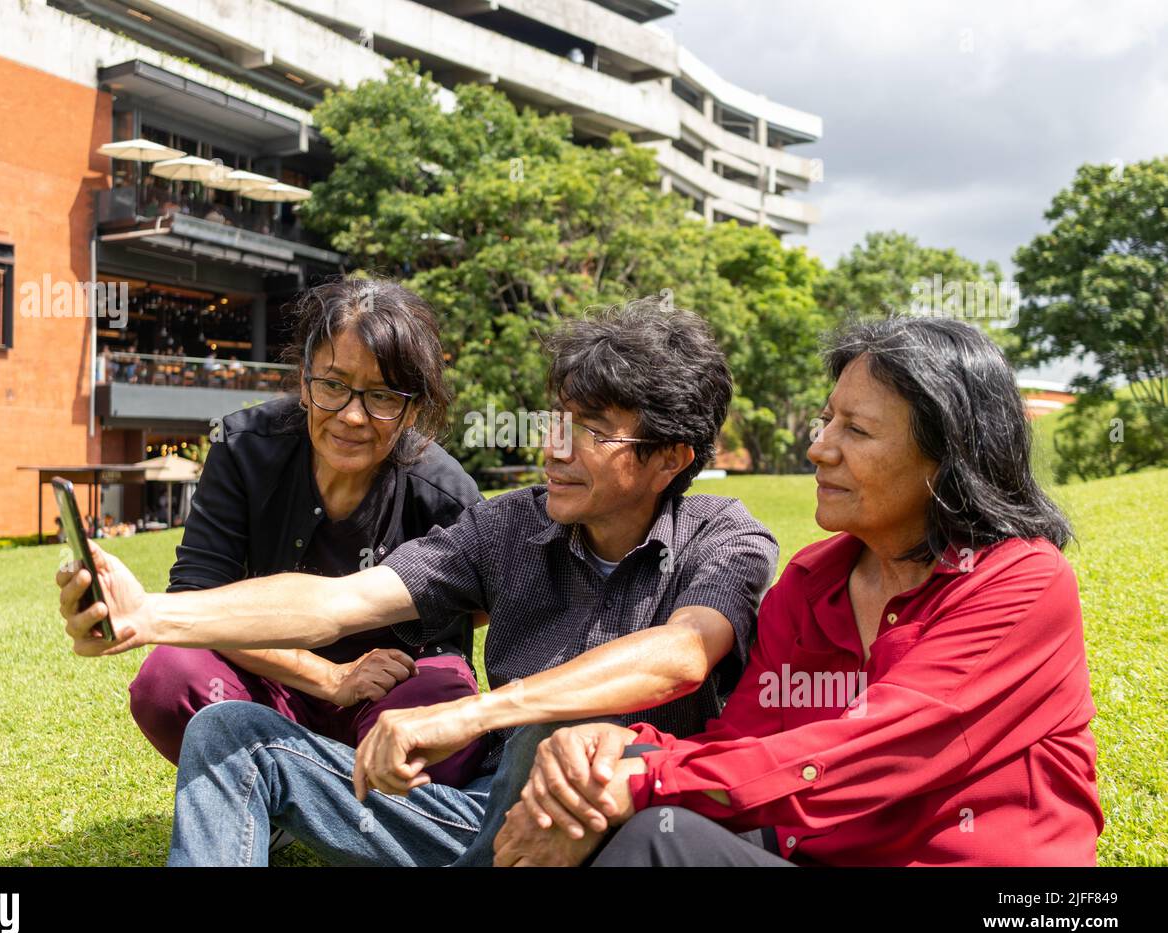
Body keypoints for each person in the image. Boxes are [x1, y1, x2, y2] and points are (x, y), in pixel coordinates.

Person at [59, 296, 778, 867]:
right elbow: (339, 602)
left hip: (623, 825)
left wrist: (473, 715)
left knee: (556, 728)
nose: (554, 448)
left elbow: (681, 655)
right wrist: (149, 615)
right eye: (555, 420)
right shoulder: (507, 527)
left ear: (669, 457)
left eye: (592, 430)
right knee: (226, 731)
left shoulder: (724, 535)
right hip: (482, 816)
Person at [496, 315, 1103, 867]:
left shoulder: (1021, 581)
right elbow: (746, 745)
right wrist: (617, 746)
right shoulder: (812, 583)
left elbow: (873, 750)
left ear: (947, 457)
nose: (819, 448)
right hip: (815, 854)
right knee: (620, 795)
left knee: (656, 835)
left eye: (857, 431)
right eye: (826, 420)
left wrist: (641, 780)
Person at [56, 277, 490, 842]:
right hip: (271, 681)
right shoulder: (245, 446)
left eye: (382, 396)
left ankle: (293, 794)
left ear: (412, 410)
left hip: (391, 691)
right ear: (305, 382)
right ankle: (287, 794)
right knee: (170, 678)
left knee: (443, 719)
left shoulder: (444, 489)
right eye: (333, 385)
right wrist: (329, 676)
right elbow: (197, 599)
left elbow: (486, 603)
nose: (352, 416)